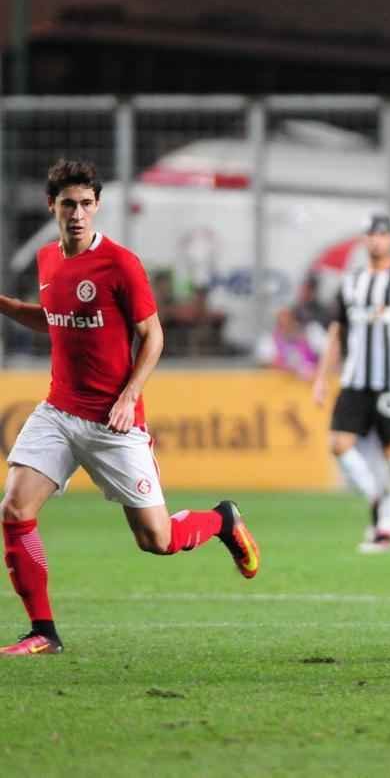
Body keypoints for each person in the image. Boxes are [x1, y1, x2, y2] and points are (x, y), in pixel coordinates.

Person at [0, 159, 260, 656]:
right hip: (58, 412)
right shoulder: (47, 259)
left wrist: (129, 395)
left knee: (156, 540)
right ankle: (43, 632)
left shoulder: (120, 264)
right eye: (68, 204)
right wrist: (7, 306)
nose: (78, 214)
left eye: (86, 204)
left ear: (97, 206)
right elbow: (56, 320)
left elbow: (153, 335)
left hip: (113, 423)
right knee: (14, 508)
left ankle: (222, 520)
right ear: (51, 206)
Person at [312, 214, 390, 554]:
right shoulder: (350, 282)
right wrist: (322, 377)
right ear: (364, 240)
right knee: (339, 444)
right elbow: (336, 332)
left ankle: (385, 530)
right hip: (354, 379)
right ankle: (376, 496)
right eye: (371, 235)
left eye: (382, 235)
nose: (376, 241)